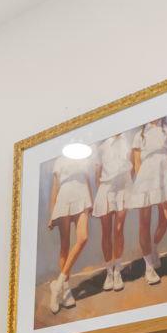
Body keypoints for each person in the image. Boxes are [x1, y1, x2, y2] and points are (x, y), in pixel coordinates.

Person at [124, 118, 167, 286]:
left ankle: (154, 247)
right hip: (146, 176)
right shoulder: (139, 135)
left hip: (164, 172)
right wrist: (141, 184)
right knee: (144, 223)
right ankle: (148, 266)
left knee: (166, 218)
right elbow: (137, 163)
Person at [45, 147, 95, 313]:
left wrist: (91, 200)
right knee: (65, 244)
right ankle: (65, 290)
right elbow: (55, 187)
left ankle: (57, 285)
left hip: (82, 195)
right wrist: (52, 213)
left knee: (83, 238)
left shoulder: (84, 158)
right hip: (64, 198)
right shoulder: (59, 161)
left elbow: (87, 179)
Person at [91, 128, 136, 292]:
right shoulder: (101, 145)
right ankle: (109, 272)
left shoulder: (128, 138)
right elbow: (97, 173)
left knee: (118, 230)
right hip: (106, 188)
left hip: (124, 186)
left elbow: (133, 165)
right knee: (106, 232)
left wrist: (129, 184)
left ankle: (118, 270)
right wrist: (101, 192)